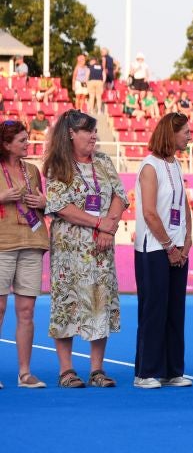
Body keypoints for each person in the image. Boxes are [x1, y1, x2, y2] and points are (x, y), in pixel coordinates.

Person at [43, 110, 128, 388]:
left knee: (100, 301)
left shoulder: (103, 161)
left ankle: (97, 369)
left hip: (101, 246)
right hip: (69, 249)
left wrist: (108, 226)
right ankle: (66, 370)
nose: (94, 136)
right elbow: (61, 206)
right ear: (71, 134)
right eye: (87, 131)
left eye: (94, 131)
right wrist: (100, 223)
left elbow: (119, 195)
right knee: (67, 303)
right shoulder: (58, 165)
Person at [133, 113, 193, 389]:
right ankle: (145, 372)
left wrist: (188, 239)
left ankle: (172, 370)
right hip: (155, 248)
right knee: (154, 309)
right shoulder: (149, 166)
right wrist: (169, 246)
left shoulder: (177, 164)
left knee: (175, 310)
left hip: (178, 247)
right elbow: (149, 212)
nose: (190, 137)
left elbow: (184, 206)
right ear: (171, 134)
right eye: (186, 133)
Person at [0, 120, 50, 389]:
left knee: (27, 310)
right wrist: (3, 196)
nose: (27, 143)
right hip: (2, 243)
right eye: (21, 140)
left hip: (31, 242)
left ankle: (25, 373)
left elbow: (43, 204)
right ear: (6, 145)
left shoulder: (32, 170)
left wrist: (43, 202)